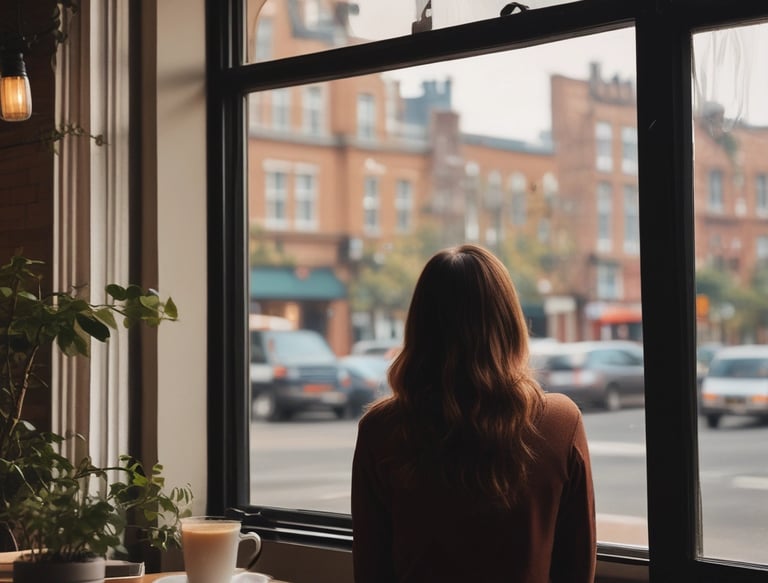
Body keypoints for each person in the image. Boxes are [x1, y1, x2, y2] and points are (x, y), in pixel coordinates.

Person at [351, 244, 595, 583]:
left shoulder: (379, 430)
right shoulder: (560, 422)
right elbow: (577, 568)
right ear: (509, 324)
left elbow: (371, 570)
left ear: (419, 328)